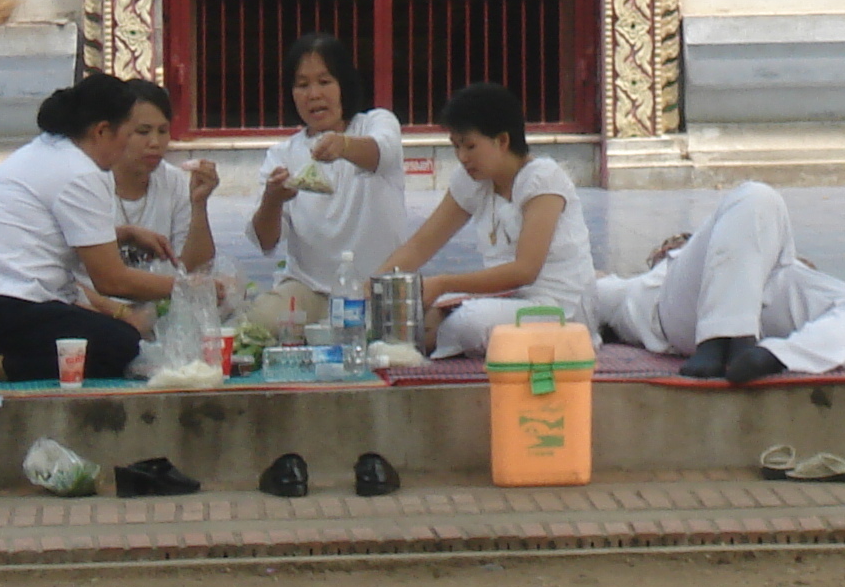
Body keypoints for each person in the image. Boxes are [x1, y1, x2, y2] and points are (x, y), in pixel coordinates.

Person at [0, 75, 185, 381]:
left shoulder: (50, 150)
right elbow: (112, 280)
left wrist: (124, 233)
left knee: (101, 334)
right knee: (121, 346)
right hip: (1, 304)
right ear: (102, 131)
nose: (128, 148)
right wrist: (190, 287)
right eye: (131, 134)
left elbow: (60, 233)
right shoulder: (80, 173)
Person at [588, 181, 845, 384]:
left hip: (767, 302)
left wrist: (775, 353)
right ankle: (723, 340)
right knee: (756, 195)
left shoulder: (756, 244)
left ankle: (773, 357)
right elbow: (588, 292)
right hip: (687, 318)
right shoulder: (641, 287)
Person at [379, 81, 596, 358]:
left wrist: (445, 283)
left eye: (470, 146)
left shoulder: (542, 179)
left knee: (469, 323)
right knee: (424, 315)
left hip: (558, 308)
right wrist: (371, 287)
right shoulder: (472, 182)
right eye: (455, 147)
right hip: (505, 302)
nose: (462, 157)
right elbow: (421, 245)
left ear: (502, 141)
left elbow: (524, 271)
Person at [249, 32, 405, 298]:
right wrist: (272, 199)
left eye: (325, 81)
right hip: (308, 288)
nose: (314, 94)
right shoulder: (282, 154)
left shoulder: (376, 123)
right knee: (265, 319)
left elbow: (383, 152)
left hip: (377, 287)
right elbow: (266, 241)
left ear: (344, 84)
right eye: (302, 85)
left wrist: (343, 146)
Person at [102, 81, 217, 301]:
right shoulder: (90, 181)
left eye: (163, 131)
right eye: (143, 132)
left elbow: (194, 268)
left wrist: (199, 205)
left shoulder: (173, 180)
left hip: (161, 300)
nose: (155, 142)